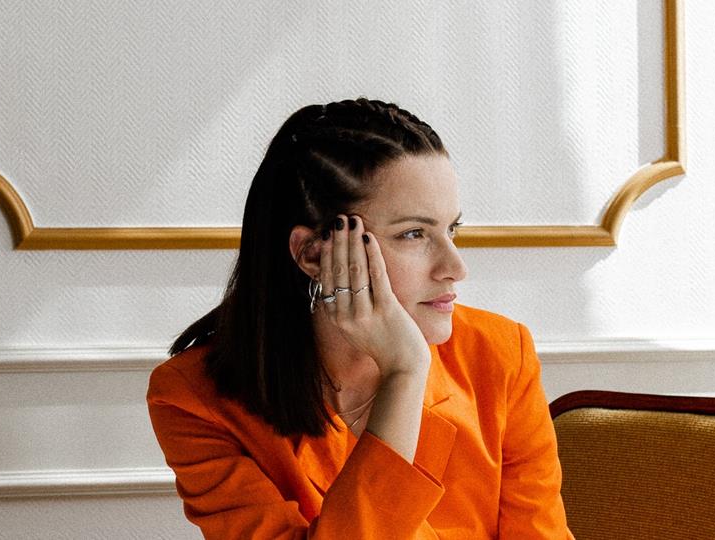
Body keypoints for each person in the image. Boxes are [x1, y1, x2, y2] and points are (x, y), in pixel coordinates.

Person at [147, 98, 574, 539]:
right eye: (414, 234)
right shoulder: (191, 399)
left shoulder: (501, 355)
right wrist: (405, 373)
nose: (455, 267)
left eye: (452, 230)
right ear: (314, 254)